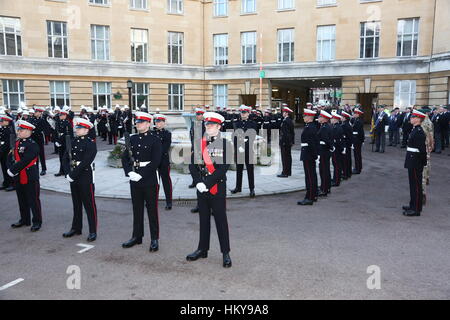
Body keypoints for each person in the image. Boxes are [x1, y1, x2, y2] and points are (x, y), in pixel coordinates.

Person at [187, 112, 232, 268]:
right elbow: (192, 165)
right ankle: (202, 249)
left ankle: (225, 253)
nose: (208, 127)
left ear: (219, 126)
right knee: (203, 219)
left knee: (220, 220)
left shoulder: (226, 144)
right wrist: (198, 182)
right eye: (207, 125)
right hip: (201, 187)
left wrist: (207, 183)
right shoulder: (200, 143)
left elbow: (223, 168)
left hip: (217, 187)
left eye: (211, 125)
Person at [121, 112, 162, 252]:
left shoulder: (155, 140)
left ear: (148, 124)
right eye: (137, 122)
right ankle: (137, 236)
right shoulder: (132, 139)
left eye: (142, 122)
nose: (138, 124)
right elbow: (124, 157)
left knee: (152, 210)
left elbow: (156, 161)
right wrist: (129, 172)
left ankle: (154, 238)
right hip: (134, 178)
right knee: (136, 209)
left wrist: (142, 175)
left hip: (149, 179)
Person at [61, 118, 98, 242]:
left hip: (84, 176)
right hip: (73, 176)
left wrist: (72, 174)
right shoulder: (72, 141)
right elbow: (65, 158)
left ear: (86, 130)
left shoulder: (90, 143)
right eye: (76, 128)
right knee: (76, 204)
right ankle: (76, 228)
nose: (76, 130)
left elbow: (86, 162)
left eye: (79, 128)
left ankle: (93, 230)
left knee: (89, 205)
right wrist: (67, 173)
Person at [7, 120, 43, 231]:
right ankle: (24, 219)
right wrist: (10, 167)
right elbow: (10, 156)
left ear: (28, 131)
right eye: (18, 130)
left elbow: (26, 160)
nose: (18, 132)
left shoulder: (32, 145)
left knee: (33, 200)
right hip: (18, 175)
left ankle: (37, 221)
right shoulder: (18, 143)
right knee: (21, 199)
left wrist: (13, 170)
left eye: (21, 130)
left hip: (30, 176)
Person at [403, 110, 427, 217]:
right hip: (412, 160)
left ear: (418, 119)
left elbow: (422, 150)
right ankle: (412, 204)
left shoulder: (419, 132)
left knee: (416, 186)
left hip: (416, 161)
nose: (411, 118)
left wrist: (422, 163)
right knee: (412, 185)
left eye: (413, 117)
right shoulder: (414, 129)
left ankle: (416, 209)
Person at [231, 105, 257, 198]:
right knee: (239, 170)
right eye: (242, 113)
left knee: (250, 170)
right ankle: (238, 187)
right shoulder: (237, 124)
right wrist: (237, 147)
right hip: (239, 150)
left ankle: (252, 189)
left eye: (245, 113)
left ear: (248, 113)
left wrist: (244, 144)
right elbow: (234, 137)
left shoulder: (252, 123)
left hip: (248, 150)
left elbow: (252, 136)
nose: (243, 114)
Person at [297, 108, 319, 206]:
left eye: (305, 116)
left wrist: (314, 155)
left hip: (308, 155)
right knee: (311, 175)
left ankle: (309, 197)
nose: (303, 117)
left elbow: (312, 143)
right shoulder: (309, 126)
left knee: (310, 176)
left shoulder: (310, 128)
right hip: (308, 153)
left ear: (309, 117)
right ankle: (312, 195)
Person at [152, 114, 173, 210]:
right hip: (153, 162)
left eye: (160, 122)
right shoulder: (151, 133)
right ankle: (152, 200)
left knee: (166, 182)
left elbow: (165, 148)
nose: (158, 123)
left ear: (164, 123)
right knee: (153, 183)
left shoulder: (167, 134)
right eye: (156, 122)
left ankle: (169, 202)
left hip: (163, 162)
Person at [29, 106, 49, 176]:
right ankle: (36, 168)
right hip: (33, 138)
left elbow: (46, 128)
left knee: (41, 154)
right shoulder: (31, 119)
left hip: (39, 139)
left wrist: (42, 133)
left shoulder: (42, 120)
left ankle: (44, 169)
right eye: (36, 112)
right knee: (34, 154)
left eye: (38, 112)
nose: (36, 113)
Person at [317, 110, 333, 197]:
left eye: (320, 117)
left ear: (324, 119)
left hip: (324, 151)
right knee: (325, 170)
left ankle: (324, 189)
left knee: (323, 170)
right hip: (326, 151)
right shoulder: (325, 126)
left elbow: (326, 141)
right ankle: (327, 187)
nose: (319, 118)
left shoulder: (324, 128)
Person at [54, 109, 73, 177]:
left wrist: (60, 140)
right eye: (60, 115)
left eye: (62, 115)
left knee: (66, 158)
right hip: (59, 142)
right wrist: (56, 140)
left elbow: (68, 134)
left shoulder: (67, 123)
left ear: (65, 115)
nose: (60, 116)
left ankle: (66, 172)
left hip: (65, 142)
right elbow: (56, 132)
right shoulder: (58, 122)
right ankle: (61, 171)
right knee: (60, 157)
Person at [278, 106, 295, 178]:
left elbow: (286, 133)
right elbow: (292, 133)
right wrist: (292, 141)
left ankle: (285, 172)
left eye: (284, 112)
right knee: (288, 157)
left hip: (285, 142)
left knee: (285, 157)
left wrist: (284, 142)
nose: (282, 113)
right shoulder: (289, 120)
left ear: (287, 113)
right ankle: (288, 171)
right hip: (288, 142)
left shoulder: (286, 121)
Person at [0, 114, 14, 191]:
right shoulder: (2, 129)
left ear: (7, 122)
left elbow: (9, 143)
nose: (1, 122)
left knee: (9, 168)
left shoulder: (9, 130)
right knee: (3, 168)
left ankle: (12, 183)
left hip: (7, 152)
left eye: (3, 121)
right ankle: (6, 183)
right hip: (2, 152)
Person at [330, 112, 344, 187]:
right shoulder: (335, 126)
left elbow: (337, 140)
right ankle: (335, 178)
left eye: (332, 118)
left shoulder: (337, 128)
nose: (331, 120)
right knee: (335, 164)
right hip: (336, 148)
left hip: (336, 149)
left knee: (337, 165)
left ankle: (336, 180)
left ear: (335, 119)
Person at [351, 107, 365, 174]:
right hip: (357, 139)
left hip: (357, 140)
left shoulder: (358, 121)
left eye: (355, 113)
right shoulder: (356, 120)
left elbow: (360, 132)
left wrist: (362, 140)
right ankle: (359, 166)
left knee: (357, 154)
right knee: (357, 154)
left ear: (358, 114)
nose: (353, 114)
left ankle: (357, 169)